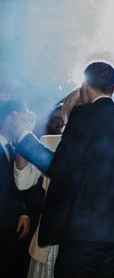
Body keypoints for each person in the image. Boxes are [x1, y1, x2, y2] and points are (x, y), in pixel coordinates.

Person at [13, 62, 114, 278]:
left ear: (84, 87)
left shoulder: (82, 117)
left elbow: (61, 169)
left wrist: (26, 143)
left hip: (80, 236)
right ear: (113, 89)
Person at [14, 89, 81, 278]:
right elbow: (23, 181)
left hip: (82, 241)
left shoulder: (102, 146)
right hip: (49, 241)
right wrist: (23, 137)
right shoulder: (50, 142)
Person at [0, 99, 32, 277]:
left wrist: (22, 211)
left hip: (9, 228)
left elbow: (13, 186)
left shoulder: (11, 148)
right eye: (24, 116)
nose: (27, 120)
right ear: (12, 117)